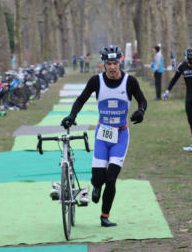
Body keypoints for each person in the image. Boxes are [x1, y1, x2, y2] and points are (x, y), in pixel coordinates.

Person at [60, 45, 147, 227]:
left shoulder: (130, 81)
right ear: (104, 64)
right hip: (103, 134)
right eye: (109, 63)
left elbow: (142, 100)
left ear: (120, 62)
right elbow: (81, 99)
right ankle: (96, 185)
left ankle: (104, 216)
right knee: (98, 178)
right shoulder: (96, 81)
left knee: (112, 178)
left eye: (116, 63)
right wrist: (72, 116)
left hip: (121, 136)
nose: (113, 67)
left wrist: (141, 111)